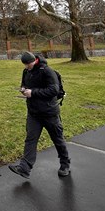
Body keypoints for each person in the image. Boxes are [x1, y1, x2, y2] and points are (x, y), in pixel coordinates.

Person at [8, 51, 71, 179]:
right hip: (33, 113)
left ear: (35, 61)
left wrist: (33, 92)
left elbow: (54, 90)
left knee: (57, 139)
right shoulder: (26, 72)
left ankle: (65, 164)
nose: (27, 67)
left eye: (28, 64)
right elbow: (24, 84)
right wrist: (23, 89)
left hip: (49, 113)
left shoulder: (47, 71)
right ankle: (24, 168)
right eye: (25, 65)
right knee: (30, 139)